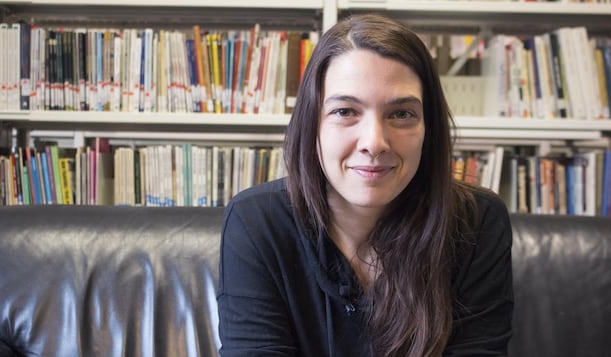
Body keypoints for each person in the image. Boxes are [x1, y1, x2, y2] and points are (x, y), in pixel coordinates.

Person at [217, 13, 513, 357]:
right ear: (312, 125)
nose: (374, 142)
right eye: (345, 111)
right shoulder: (257, 221)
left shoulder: (477, 221)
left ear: (428, 129)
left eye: (401, 114)